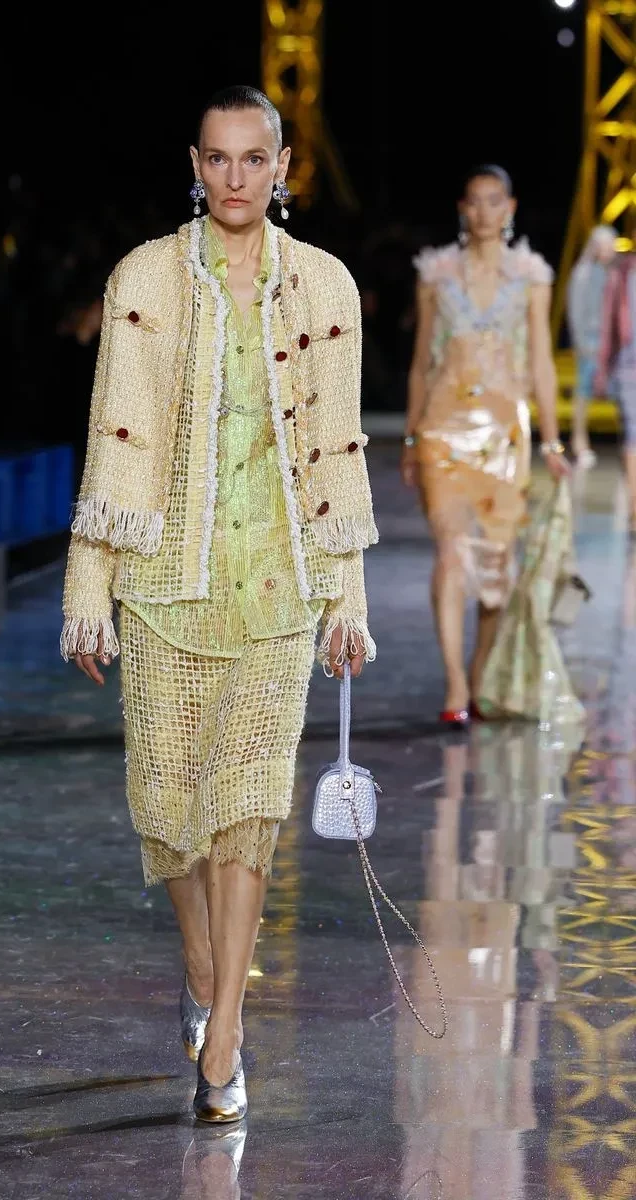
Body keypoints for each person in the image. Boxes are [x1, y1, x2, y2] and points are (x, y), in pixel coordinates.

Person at [61, 85, 377, 1122]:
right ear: (193, 166)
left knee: (246, 815)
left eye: (253, 158)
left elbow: (337, 451)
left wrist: (348, 599)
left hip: (279, 589)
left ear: (281, 167)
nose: (235, 176)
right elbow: (115, 437)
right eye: (216, 158)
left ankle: (227, 1035)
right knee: (170, 815)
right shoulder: (144, 277)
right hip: (167, 590)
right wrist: (89, 589)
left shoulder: (326, 286)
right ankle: (200, 969)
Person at [403, 165, 569, 726]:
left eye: (494, 201)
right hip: (442, 429)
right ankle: (455, 684)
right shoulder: (436, 273)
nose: (483, 212)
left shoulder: (532, 276)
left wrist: (553, 441)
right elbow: (421, 361)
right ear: (462, 208)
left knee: (497, 567)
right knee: (452, 552)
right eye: (474, 201)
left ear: (510, 208)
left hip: (504, 435)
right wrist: (410, 436)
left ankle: (479, 674)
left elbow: (541, 361)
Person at [567, 225, 617, 467]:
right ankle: (579, 442)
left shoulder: (616, 273)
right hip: (590, 342)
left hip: (614, 343)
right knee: (584, 392)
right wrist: (582, 343)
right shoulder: (583, 273)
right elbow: (576, 310)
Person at [595, 251, 636, 534]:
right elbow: (608, 322)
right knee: (633, 432)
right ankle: (634, 507)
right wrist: (602, 368)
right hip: (628, 363)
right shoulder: (620, 273)